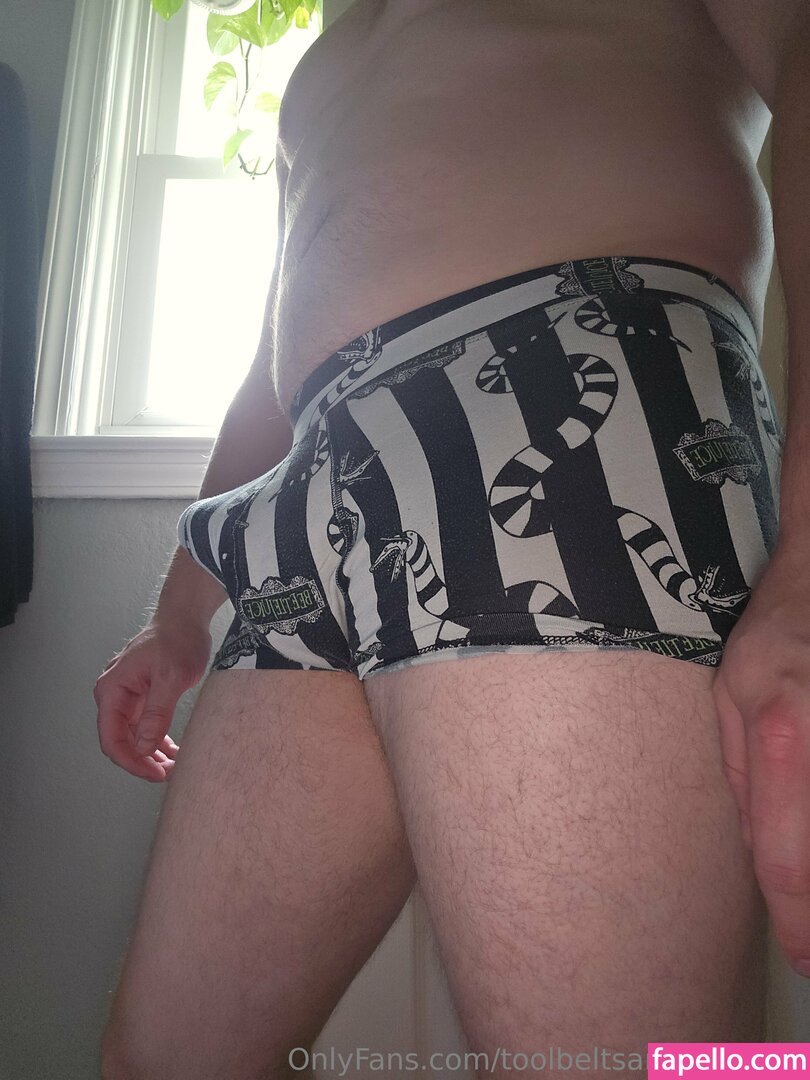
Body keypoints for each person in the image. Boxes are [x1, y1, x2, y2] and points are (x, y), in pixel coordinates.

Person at [96, 0, 810, 1076]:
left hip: (560, 373)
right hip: (312, 480)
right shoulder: (336, 42)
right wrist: (181, 611)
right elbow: (268, 356)